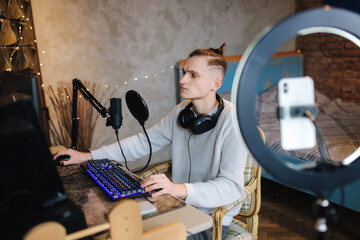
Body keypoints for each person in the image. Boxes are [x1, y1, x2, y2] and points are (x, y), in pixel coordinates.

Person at [53, 43, 248, 240]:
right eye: (183, 73)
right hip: (180, 206)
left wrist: (177, 189)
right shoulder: (182, 112)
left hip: (210, 221)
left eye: (193, 75)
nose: (182, 80)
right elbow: (142, 143)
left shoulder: (233, 122)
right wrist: (89, 155)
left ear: (216, 83)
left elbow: (231, 187)